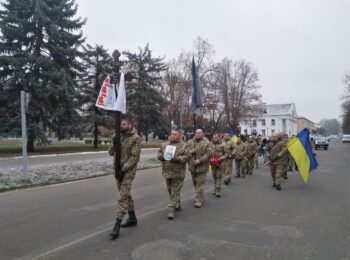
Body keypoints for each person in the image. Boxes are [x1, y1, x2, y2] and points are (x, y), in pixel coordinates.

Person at [108, 118, 142, 240]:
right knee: (126, 195)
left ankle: (116, 225)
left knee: (122, 197)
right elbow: (110, 152)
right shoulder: (118, 135)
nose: (121, 126)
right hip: (117, 171)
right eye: (121, 124)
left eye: (124, 124)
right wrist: (113, 142)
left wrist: (123, 170)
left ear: (130, 125)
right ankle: (132, 218)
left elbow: (134, 158)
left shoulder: (135, 138)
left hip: (128, 171)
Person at [157, 130, 191, 219]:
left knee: (174, 191)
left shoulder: (184, 145)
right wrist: (161, 156)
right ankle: (177, 204)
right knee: (170, 190)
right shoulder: (164, 144)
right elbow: (159, 153)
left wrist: (177, 158)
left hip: (178, 172)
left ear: (179, 136)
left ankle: (171, 209)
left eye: (175, 134)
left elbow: (187, 156)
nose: (173, 136)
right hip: (167, 172)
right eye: (172, 134)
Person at [187, 129, 213, 208]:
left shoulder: (207, 143)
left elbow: (209, 154)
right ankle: (200, 196)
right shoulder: (190, 142)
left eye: (199, 133)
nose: (197, 134)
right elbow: (185, 151)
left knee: (199, 183)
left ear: (203, 134)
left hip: (202, 167)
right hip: (192, 166)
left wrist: (199, 160)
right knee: (195, 183)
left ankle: (198, 200)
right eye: (196, 133)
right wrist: (191, 151)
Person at [210, 133, 229, 197]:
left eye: (216, 137)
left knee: (219, 176)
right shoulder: (211, 144)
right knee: (214, 176)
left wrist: (220, 158)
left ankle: (218, 191)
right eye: (213, 137)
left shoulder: (223, 144)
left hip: (220, 163)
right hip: (213, 162)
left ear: (219, 137)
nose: (214, 138)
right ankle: (215, 189)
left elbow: (227, 154)